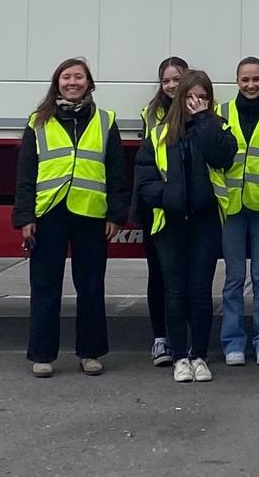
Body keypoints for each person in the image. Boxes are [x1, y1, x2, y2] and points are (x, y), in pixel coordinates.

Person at [13, 57, 129, 378]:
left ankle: (90, 354)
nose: (72, 82)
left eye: (79, 77)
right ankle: (42, 355)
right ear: (57, 83)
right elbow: (25, 173)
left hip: (91, 213)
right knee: (45, 286)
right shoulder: (38, 121)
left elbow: (117, 172)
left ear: (89, 84)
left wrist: (115, 214)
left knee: (91, 287)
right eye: (66, 77)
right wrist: (25, 216)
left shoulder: (105, 120)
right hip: (49, 213)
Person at [133, 69, 237, 384]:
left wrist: (204, 120)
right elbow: (145, 180)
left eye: (202, 97)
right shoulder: (159, 134)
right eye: (190, 97)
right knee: (175, 292)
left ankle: (200, 356)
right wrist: (169, 198)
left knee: (200, 291)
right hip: (171, 222)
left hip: (206, 221)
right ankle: (180, 356)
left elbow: (224, 157)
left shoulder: (217, 127)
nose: (196, 102)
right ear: (180, 99)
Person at [218, 57, 259, 366]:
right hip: (231, 207)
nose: (251, 85)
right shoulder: (222, 112)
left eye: (256, 79)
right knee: (233, 278)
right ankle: (233, 342)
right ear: (237, 81)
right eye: (245, 79)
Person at [134, 56, 185, 367]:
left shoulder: (202, 110)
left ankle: (184, 337)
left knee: (186, 278)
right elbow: (146, 166)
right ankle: (160, 339)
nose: (171, 85)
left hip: (189, 208)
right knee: (159, 275)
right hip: (157, 208)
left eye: (177, 79)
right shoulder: (150, 114)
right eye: (166, 80)